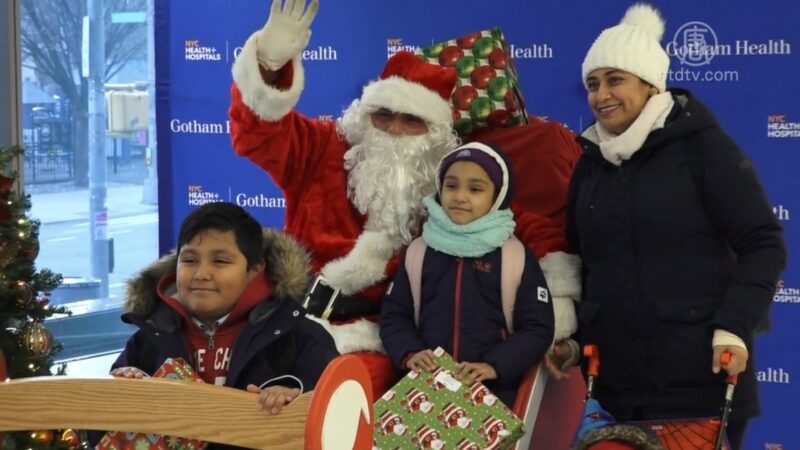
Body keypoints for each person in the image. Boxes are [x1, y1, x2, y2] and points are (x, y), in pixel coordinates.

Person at [229, 0, 582, 396]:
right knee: (242, 389)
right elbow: (258, 136)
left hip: (379, 340)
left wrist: (560, 299)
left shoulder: (450, 188)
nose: (394, 129)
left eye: (411, 120)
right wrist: (270, 64)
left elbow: (521, 224)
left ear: (434, 134)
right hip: (292, 318)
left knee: (334, 399)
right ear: (365, 115)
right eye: (383, 115)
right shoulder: (326, 151)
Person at [550, 4, 786, 450]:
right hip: (617, 390)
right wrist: (573, 338)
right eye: (593, 84)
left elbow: (763, 243)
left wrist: (734, 327)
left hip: (701, 383)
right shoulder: (590, 163)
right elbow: (584, 262)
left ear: (650, 83)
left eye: (615, 79)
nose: (602, 95)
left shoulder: (702, 149)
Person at [110, 202, 339, 425]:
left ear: (254, 271)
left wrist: (297, 393)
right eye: (189, 260)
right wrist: (123, 387)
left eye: (220, 261)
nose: (201, 274)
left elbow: (339, 407)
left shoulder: (297, 335)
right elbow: (100, 419)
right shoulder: (150, 337)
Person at [379, 142, 555, 407]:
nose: (460, 196)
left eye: (475, 189)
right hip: (425, 392)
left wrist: (495, 365)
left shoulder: (515, 257)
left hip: (492, 397)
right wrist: (410, 352)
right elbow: (394, 316)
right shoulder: (419, 252)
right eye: (451, 186)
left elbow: (537, 328)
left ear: (497, 196)